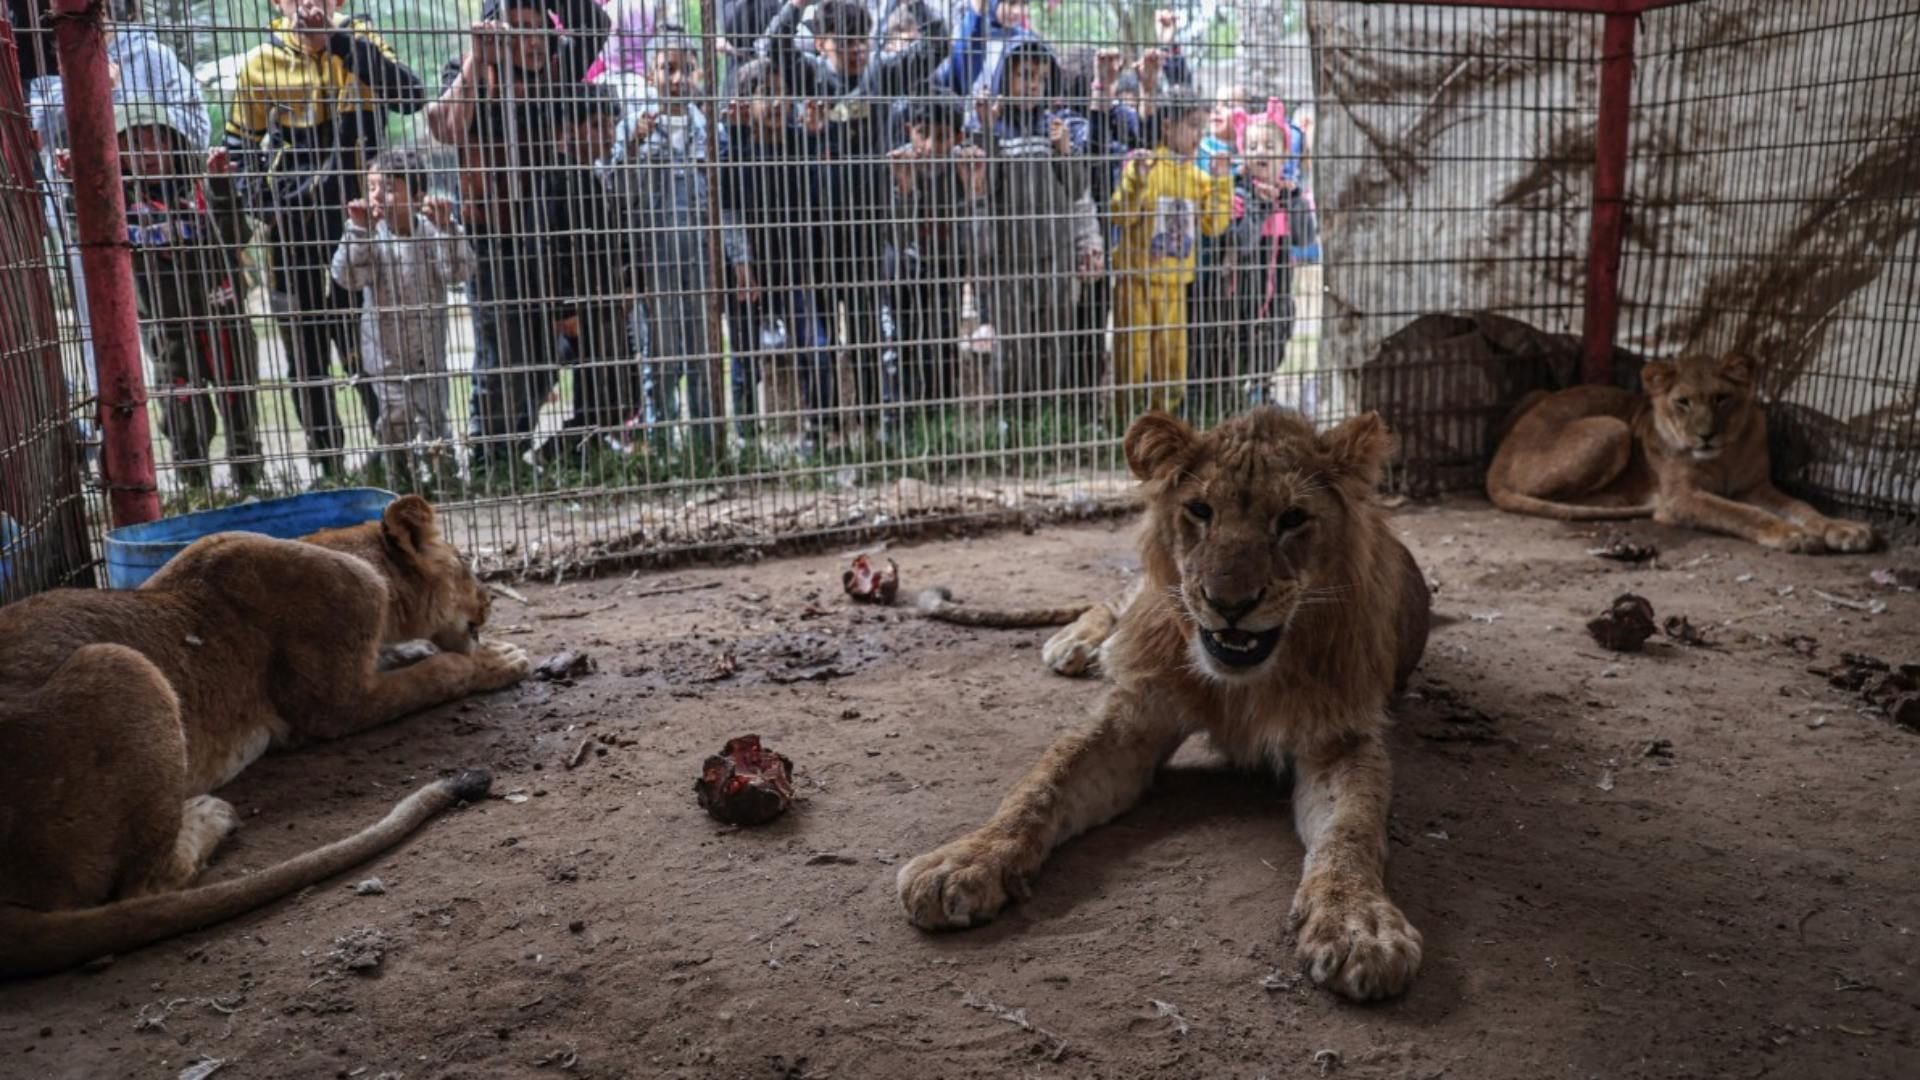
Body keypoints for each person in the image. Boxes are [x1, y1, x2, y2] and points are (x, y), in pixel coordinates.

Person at [224, 0, 425, 480]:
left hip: (358, 224)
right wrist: (263, 207)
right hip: (292, 231)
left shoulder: (361, 41)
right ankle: (326, 464)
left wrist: (334, 42)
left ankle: (395, 459)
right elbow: (239, 146)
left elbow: (411, 96)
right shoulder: (259, 63)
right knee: (304, 347)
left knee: (369, 341)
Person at [426, 0, 611, 482]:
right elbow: (444, 127)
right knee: (502, 357)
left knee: (543, 353)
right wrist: (477, 57)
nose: (533, 40)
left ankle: (515, 452)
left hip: (545, 238)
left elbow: (597, 24)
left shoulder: (555, 71)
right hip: (491, 240)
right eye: (520, 30)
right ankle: (492, 462)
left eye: (539, 29)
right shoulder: (473, 73)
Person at [81, 98, 262, 490]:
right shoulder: (119, 201)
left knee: (240, 408)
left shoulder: (201, 185)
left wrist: (220, 190)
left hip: (223, 316)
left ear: (175, 144)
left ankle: (251, 488)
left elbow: (235, 238)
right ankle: (195, 495)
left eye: (155, 142)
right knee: (183, 417)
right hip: (165, 328)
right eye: (133, 145)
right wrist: (75, 188)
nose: (146, 155)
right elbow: (86, 234)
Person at [604, 24, 745, 459]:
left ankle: (709, 452)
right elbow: (614, 193)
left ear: (699, 74)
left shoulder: (710, 129)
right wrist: (631, 148)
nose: (678, 78)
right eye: (668, 69)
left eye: (686, 69)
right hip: (656, 263)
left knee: (705, 358)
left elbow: (727, 201)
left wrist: (737, 258)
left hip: (701, 264)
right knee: (661, 362)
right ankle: (662, 451)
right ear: (651, 75)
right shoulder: (635, 127)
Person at [964, 30, 1103, 428]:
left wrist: (1064, 152)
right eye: (1024, 75)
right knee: (1015, 345)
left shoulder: (1056, 128)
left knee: (1052, 339)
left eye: (1040, 77)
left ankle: (1047, 417)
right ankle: (1011, 418)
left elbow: (1077, 188)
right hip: (1011, 259)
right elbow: (985, 189)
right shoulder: (994, 130)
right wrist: (989, 132)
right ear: (1004, 78)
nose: (1032, 84)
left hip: (1055, 257)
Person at [329, 147, 475, 491]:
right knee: (396, 419)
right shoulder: (369, 234)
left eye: (389, 188)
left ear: (418, 196)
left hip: (429, 354)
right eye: (373, 187)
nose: (377, 196)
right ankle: (393, 481)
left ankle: (445, 480)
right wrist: (358, 231)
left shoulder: (431, 232)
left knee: (435, 418)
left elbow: (458, 271)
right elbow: (346, 277)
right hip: (385, 357)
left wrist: (448, 229)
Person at [721, 56, 830, 452]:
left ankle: (815, 432)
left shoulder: (802, 142)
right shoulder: (735, 148)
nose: (777, 102)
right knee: (744, 359)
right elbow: (728, 209)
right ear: (745, 102)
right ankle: (748, 442)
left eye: (781, 93)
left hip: (795, 266)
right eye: (766, 93)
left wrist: (817, 139)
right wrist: (740, 261)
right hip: (749, 269)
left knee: (814, 347)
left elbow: (818, 199)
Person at [1109, 89, 1233, 418]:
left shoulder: (1200, 178)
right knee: (1132, 359)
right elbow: (1120, 214)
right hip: (1136, 282)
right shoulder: (1145, 166)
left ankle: (1165, 421)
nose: (1199, 136)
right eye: (1193, 126)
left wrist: (1222, 183)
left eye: (1203, 129)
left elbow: (1214, 226)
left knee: (1172, 361)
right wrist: (1136, 181)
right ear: (1168, 126)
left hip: (1175, 284)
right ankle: (1125, 420)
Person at [546, 82, 642, 467]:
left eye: (611, 125)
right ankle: (559, 454)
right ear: (572, 130)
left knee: (618, 389)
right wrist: (565, 308)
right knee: (599, 389)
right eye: (597, 125)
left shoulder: (595, 175)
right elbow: (554, 248)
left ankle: (587, 451)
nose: (608, 134)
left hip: (605, 299)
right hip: (580, 305)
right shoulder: (562, 179)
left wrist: (627, 284)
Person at [886, 92, 973, 411]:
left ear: (958, 137)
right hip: (905, 267)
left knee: (944, 339)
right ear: (910, 129)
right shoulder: (899, 162)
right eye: (923, 135)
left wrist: (971, 186)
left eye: (941, 137)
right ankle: (901, 413)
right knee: (904, 338)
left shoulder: (961, 166)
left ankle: (941, 413)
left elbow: (971, 229)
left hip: (946, 266)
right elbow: (895, 237)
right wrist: (904, 192)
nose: (930, 147)